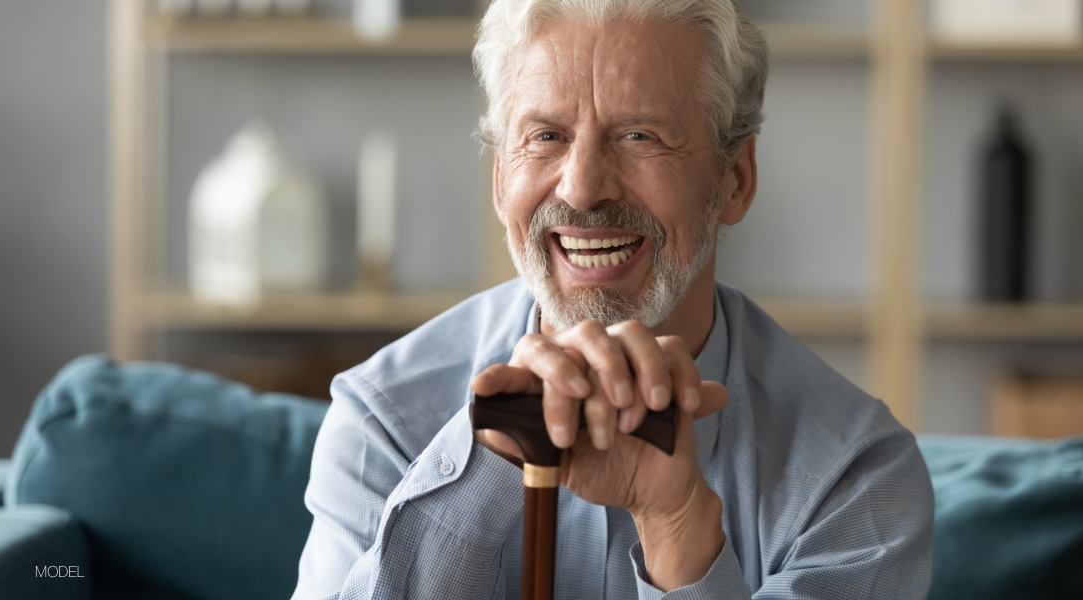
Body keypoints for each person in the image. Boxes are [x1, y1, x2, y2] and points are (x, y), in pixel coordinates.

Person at [292, 0, 934, 597]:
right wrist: (478, 474)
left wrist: (679, 528)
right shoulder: (384, 424)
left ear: (735, 180)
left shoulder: (855, 479)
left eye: (640, 137)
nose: (581, 189)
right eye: (546, 136)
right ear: (499, 180)